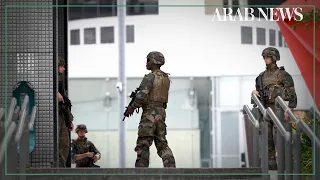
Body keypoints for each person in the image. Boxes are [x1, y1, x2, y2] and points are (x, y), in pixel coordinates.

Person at [124, 51, 176, 168]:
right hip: (161, 112)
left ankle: (141, 173)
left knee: (143, 143)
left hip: (149, 113)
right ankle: (171, 168)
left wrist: (132, 108)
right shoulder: (166, 78)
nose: (146, 63)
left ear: (153, 62)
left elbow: (142, 96)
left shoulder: (150, 77)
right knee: (162, 143)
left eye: (148, 60)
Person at [252, 47, 297, 170]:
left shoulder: (283, 75)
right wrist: (255, 93)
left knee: (282, 138)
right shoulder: (261, 77)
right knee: (267, 140)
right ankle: (272, 167)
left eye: (267, 57)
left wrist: (289, 109)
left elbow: (292, 95)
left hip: (279, 111)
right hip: (265, 111)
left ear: (274, 58)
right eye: (264, 57)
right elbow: (260, 93)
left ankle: (287, 164)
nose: (265, 59)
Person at [58, 57, 74, 167]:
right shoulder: (50, 82)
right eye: (61, 66)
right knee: (62, 144)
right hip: (57, 116)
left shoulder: (59, 81)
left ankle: (61, 168)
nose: (63, 69)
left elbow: (65, 102)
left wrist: (70, 120)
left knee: (65, 144)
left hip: (63, 115)